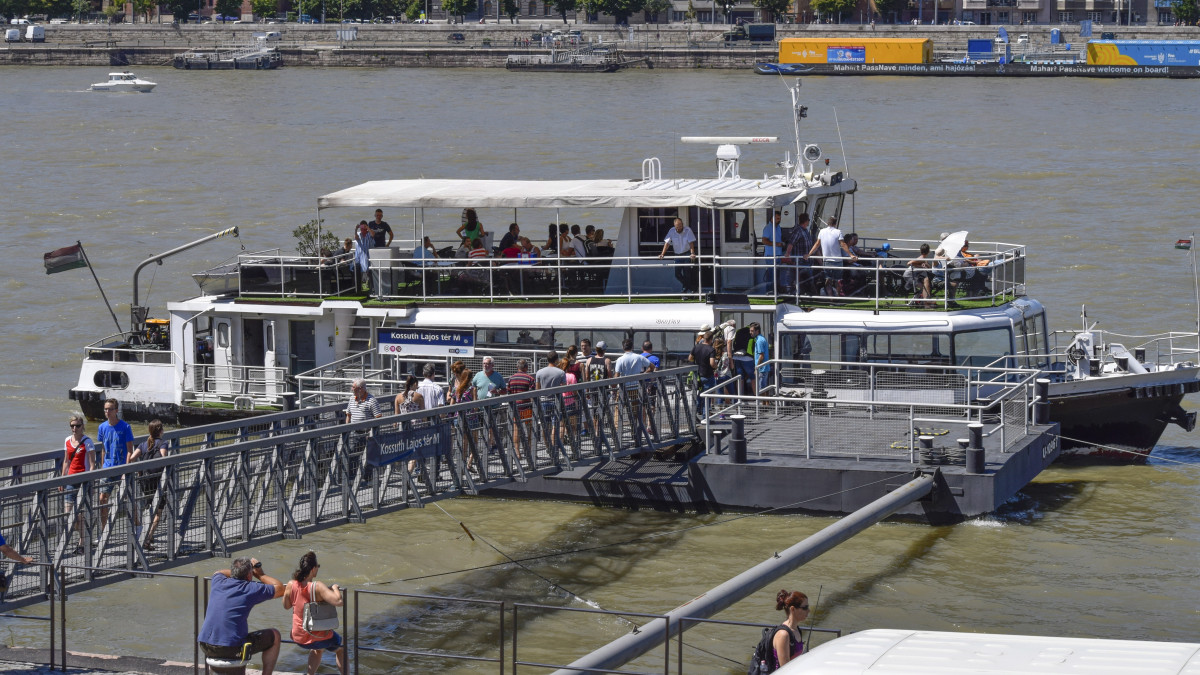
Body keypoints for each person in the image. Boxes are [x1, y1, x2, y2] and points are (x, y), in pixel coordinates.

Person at [197, 556, 285, 674]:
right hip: (230, 648)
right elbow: (280, 589)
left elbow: (218, 572)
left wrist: (237, 572)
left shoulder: (218, 581)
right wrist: (260, 575)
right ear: (249, 576)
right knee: (275, 635)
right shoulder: (250, 588)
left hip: (206, 644)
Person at [282, 551, 345, 675]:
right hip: (315, 636)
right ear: (312, 569)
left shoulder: (291, 584)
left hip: (297, 636)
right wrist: (335, 588)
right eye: (318, 567)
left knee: (317, 649)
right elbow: (338, 601)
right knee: (341, 647)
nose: (318, 569)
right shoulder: (317, 586)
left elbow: (286, 606)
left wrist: (288, 591)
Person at [96, 398, 135, 534]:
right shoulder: (102, 427)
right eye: (106, 409)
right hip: (108, 468)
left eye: (110, 409)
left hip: (122, 468)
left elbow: (130, 450)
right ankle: (104, 531)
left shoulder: (125, 427)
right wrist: (102, 467)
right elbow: (103, 449)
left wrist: (126, 470)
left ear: (116, 411)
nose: (107, 411)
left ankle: (137, 527)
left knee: (129, 498)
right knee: (102, 499)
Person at [129, 419, 169, 551]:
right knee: (158, 511)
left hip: (145, 481)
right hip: (157, 481)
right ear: (161, 431)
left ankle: (147, 535)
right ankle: (147, 538)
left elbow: (132, 459)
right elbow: (163, 459)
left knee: (150, 507)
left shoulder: (142, 444)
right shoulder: (163, 443)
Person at [61, 412, 94, 553]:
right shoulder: (67, 440)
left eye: (77, 426)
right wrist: (62, 479)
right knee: (68, 513)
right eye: (72, 426)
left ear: (82, 427)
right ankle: (86, 537)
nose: (74, 429)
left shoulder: (88, 442)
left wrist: (89, 479)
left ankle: (82, 543)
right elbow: (66, 461)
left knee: (81, 511)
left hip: (83, 480)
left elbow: (93, 464)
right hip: (70, 479)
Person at [804, 216, 857, 296]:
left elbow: (817, 244)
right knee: (838, 281)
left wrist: (809, 254)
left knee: (828, 281)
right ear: (835, 223)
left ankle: (830, 297)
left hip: (827, 261)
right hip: (837, 261)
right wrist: (851, 255)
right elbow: (843, 244)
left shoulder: (821, 231)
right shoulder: (838, 232)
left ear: (828, 223)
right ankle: (837, 298)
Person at [769, 589, 809, 669]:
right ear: (793, 609)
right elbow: (785, 670)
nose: (808, 610)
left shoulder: (796, 629)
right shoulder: (783, 635)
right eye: (805, 607)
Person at [657, 218, 697, 292]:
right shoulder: (671, 231)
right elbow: (667, 243)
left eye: (681, 225)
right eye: (678, 226)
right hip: (677, 255)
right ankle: (692, 288)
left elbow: (691, 243)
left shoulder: (688, 230)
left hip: (686, 254)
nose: (680, 227)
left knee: (686, 273)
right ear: (674, 226)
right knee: (677, 274)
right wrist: (662, 254)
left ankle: (685, 290)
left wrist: (692, 253)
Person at [507, 358, 536, 455]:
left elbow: (509, 392)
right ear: (527, 367)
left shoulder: (511, 378)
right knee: (529, 429)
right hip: (527, 407)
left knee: (516, 429)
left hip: (516, 407)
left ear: (517, 367)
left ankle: (517, 451)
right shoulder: (530, 379)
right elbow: (533, 394)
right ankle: (528, 450)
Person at [782, 212, 815, 296]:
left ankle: (808, 294)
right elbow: (791, 243)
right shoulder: (798, 230)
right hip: (800, 261)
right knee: (801, 279)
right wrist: (787, 255)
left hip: (807, 261)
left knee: (808, 279)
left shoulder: (805, 231)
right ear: (805, 221)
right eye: (808, 220)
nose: (808, 222)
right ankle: (800, 294)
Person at [689, 331, 717, 413]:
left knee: (699, 395)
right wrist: (716, 366)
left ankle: (695, 414)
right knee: (707, 397)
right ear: (711, 339)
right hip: (708, 375)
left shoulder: (696, 347)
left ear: (704, 338)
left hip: (697, 375)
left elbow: (690, 358)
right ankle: (705, 417)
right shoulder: (711, 349)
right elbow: (712, 363)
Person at [758, 209, 784, 292]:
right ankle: (770, 292)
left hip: (778, 255)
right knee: (772, 275)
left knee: (777, 275)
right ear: (772, 218)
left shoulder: (778, 227)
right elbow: (764, 241)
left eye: (779, 218)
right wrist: (777, 244)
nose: (778, 220)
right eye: (777, 218)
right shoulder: (768, 228)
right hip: (770, 255)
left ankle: (776, 291)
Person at [750, 322, 770, 395]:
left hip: (762, 369)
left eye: (752, 331)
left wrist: (757, 367)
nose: (750, 332)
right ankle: (764, 404)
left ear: (757, 331)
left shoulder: (759, 341)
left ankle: (763, 405)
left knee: (761, 389)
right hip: (763, 368)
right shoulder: (760, 339)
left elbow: (761, 355)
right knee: (763, 387)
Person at [353, 221, 373, 295]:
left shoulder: (369, 234)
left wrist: (367, 227)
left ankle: (371, 289)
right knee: (359, 275)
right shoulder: (358, 234)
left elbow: (373, 234)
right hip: (359, 258)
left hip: (368, 257)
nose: (363, 230)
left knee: (369, 273)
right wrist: (356, 229)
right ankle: (359, 290)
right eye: (361, 228)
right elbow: (356, 237)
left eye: (364, 228)